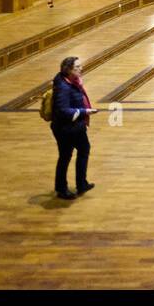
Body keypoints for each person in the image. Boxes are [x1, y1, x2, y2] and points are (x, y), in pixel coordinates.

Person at [51, 56, 98, 200]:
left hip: (76, 126)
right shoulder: (64, 87)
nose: (81, 68)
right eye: (77, 67)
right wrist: (85, 112)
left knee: (82, 150)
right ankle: (62, 189)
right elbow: (63, 110)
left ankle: (81, 183)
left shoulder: (70, 81)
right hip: (66, 129)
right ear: (69, 70)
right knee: (66, 156)